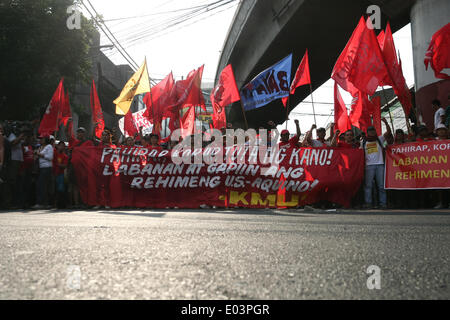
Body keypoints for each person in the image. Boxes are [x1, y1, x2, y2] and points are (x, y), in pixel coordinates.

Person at [361, 118, 392, 210]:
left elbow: (389, 133)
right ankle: (368, 203)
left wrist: (386, 123)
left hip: (380, 165)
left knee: (381, 186)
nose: (372, 132)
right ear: (367, 132)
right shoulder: (363, 142)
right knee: (368, 186)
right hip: (368, 166)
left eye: (373, 131)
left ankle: (383, 203)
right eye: (370, 131)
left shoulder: (380, 139)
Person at [32, 136, 54, 209]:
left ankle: (41, 203)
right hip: (40, 168)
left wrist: (39, 154)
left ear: (46, 139)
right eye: (40, 138)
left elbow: (50, 157)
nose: (40, 140)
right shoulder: (40, 147)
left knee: (42, 185)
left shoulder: (49, 146)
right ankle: (45, 203)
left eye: (42, 138)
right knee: (41, 186)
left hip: (46, 168)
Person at [53, 141, 69, 209]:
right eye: (60, 145)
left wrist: (58, 164)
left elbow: (65, 165)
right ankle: (53, 204)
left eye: (63, 146)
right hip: (53, 173)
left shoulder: (65, 156)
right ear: (57, 146)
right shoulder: (54, 153)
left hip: (60, 175)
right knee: (53, 189)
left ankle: (60, 204)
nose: (61, 147)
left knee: (60, 189)